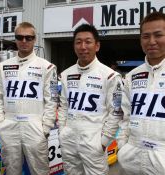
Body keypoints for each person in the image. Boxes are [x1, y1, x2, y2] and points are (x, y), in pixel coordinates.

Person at [0, 22, 58, 175]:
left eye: (28, 38)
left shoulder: (47, 67)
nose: (24, 41)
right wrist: (0, 123)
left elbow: (52, 100)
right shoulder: (1, 67)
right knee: (11, 170)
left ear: (35, 39)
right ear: (15, 39)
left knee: (40, 170)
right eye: (19, 37)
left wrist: (46, 128)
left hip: (35, 126)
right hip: (9, 126)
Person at [58, 23, 123, 175]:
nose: (83, 46)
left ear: (97, 45)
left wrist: (104, 141)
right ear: (74, 46)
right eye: (78, 42)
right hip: (69, 139)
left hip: (94, 142)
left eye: (88, 41)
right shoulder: (65, 75)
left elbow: (116, 111)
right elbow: (63, 106)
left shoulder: (110, 76)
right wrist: (62, 131)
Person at [117, 12, 165, 175]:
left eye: (158, 35)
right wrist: (122, 147)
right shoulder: (132, 75)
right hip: (132, 157)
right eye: (146, 36)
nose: (152, 41)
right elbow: (125, 116)